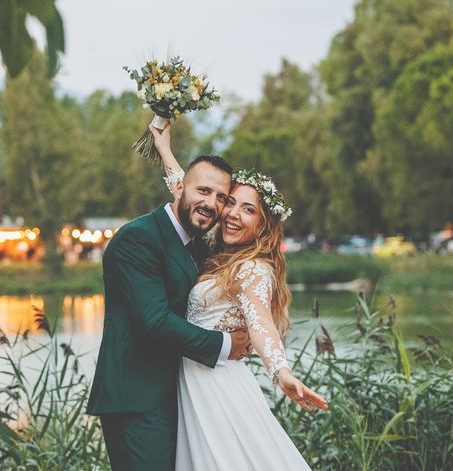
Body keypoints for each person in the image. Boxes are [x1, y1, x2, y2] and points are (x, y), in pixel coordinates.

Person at [153, 124, 328, 471]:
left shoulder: (252, 269)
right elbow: (183, 189)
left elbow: (260, 320)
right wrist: (164, 149)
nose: (232, 214)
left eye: (248, 210)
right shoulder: (216, 251)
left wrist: (281, 372)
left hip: (217, 389)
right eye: (230, 203)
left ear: (262, 225)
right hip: (194, 382)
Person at [87, 152, 254, 470]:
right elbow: (155, 322)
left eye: (221, 197)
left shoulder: (197, 242)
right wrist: (227, 344)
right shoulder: (138, 238)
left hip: (177, 393)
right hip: (137, 398)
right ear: (178, 187)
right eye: (203, 191)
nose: (211, 203)